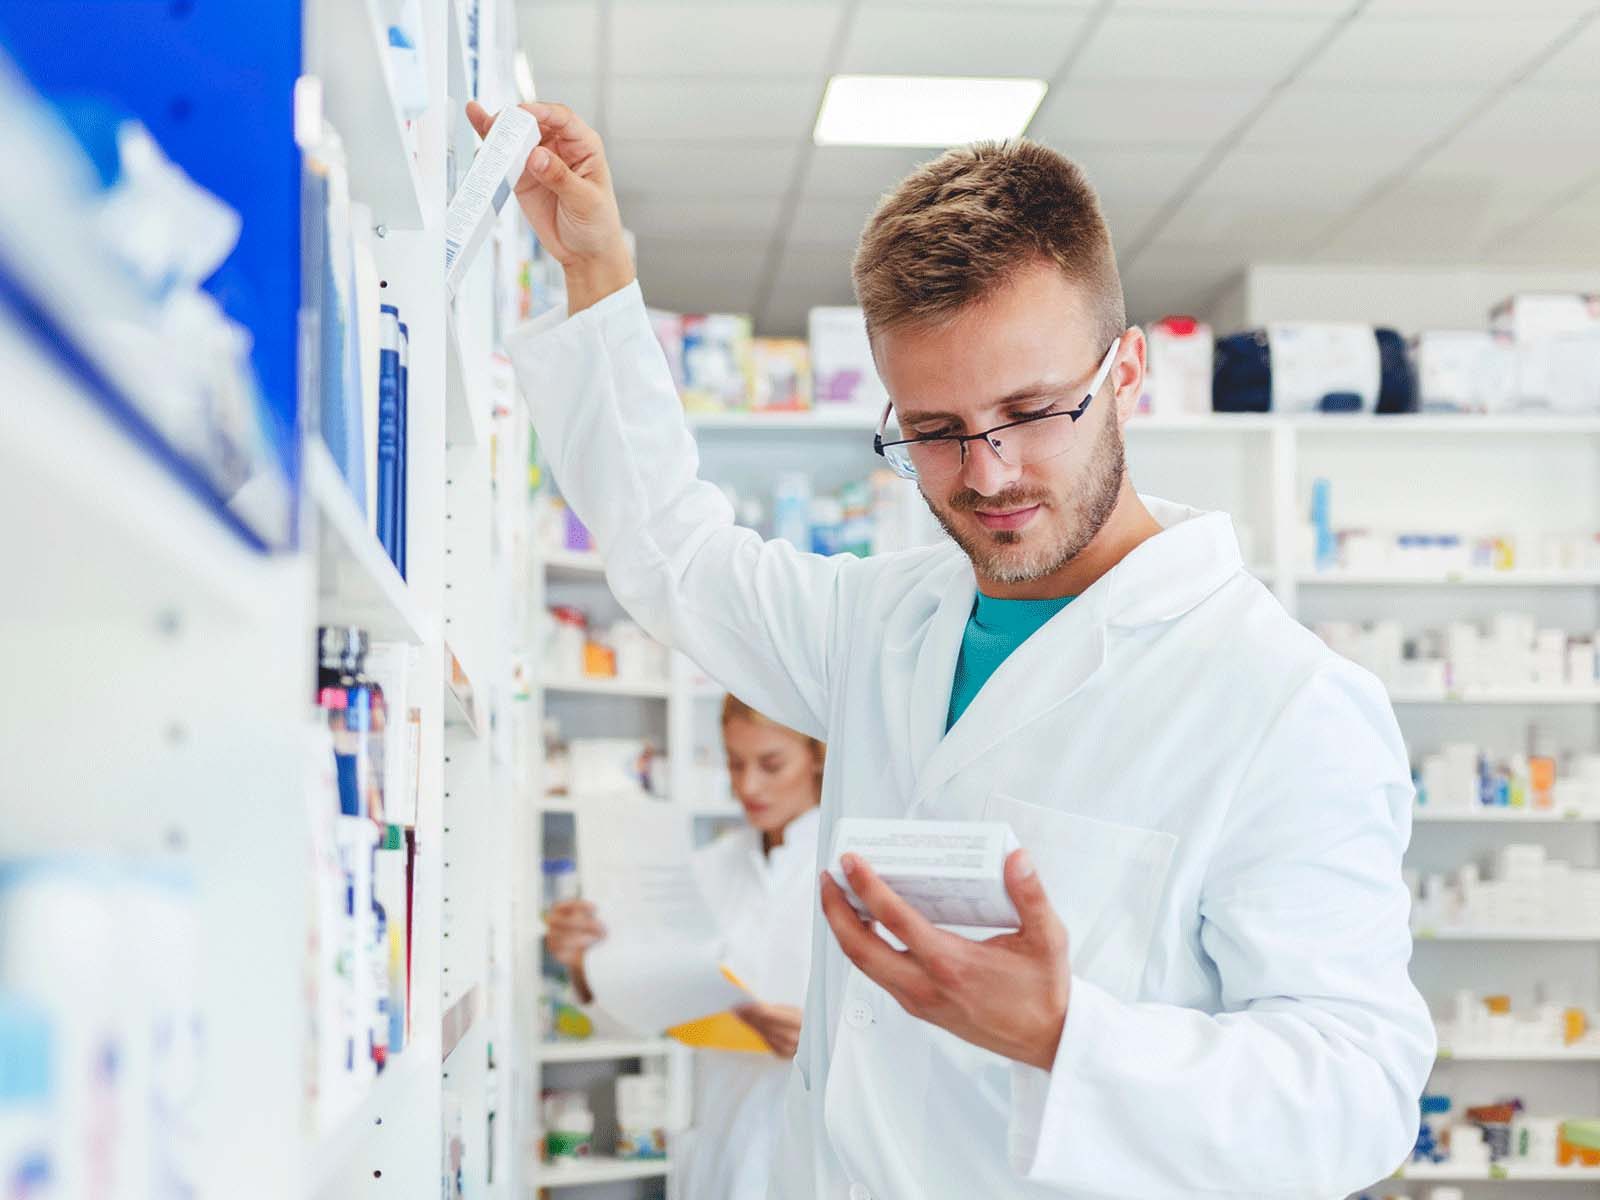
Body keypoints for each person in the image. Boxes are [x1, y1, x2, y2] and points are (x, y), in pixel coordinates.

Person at [472, 94, 1434, 1199]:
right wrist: (596, 273)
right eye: (930, 430)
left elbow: (1356, 1097)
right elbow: (672, 559)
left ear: (1122, 375)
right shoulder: (882, 624)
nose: (984, 473)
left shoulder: (1283, 700)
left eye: (1030, 411)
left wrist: (1068, 1034)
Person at [544, 696, 823, 1200]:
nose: (747, 786)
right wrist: (586, 963)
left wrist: (823, 1044)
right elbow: (632, 1014)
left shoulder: (851, 868)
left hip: (814, 1153)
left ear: (818, 757)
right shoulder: (707, 869)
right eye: (734, 763)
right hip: (719, 1145)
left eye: (770, 764)